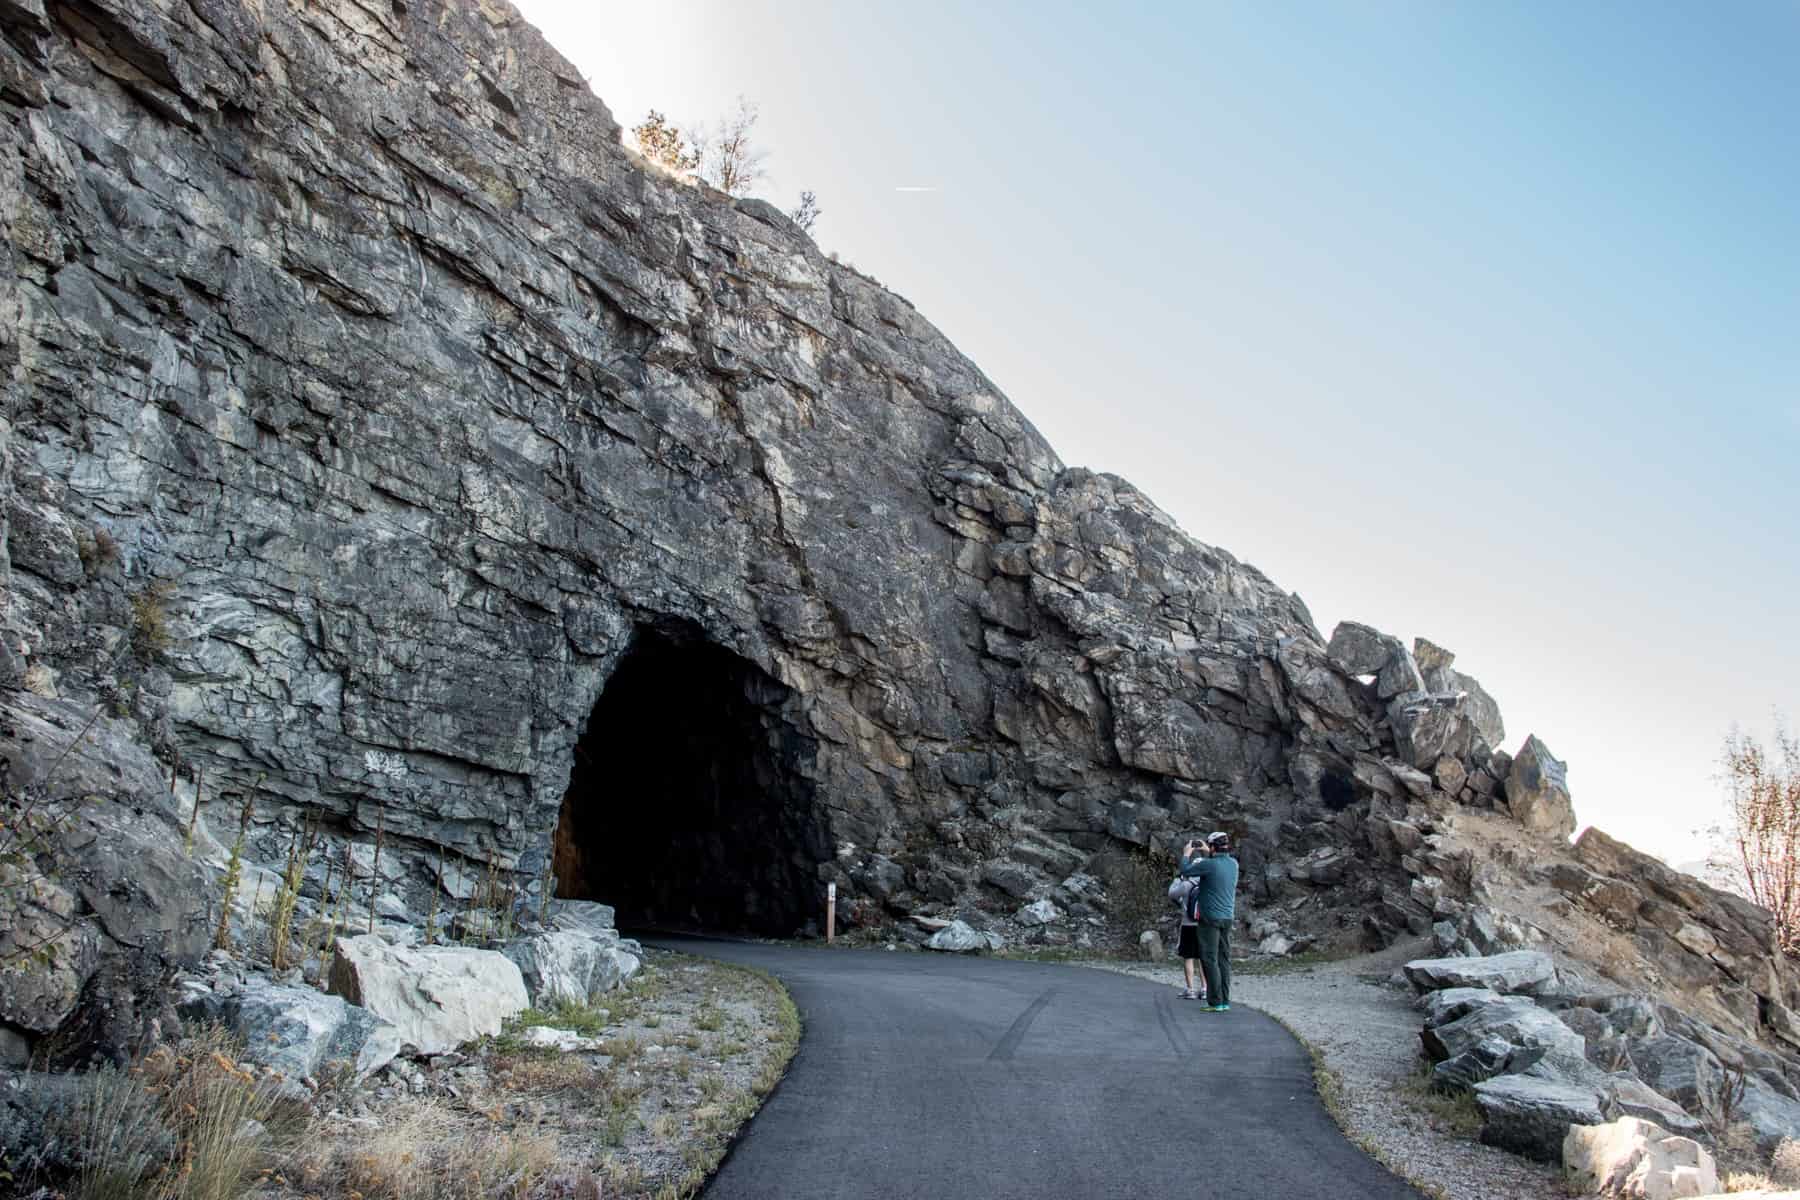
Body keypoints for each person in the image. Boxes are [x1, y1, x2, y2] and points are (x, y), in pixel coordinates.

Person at [1185, 831, 1239, 1012]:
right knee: (1224, 959)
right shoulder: (1233, 864)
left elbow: (1185, 870)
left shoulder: (1209, 865)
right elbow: (1218, 860)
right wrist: (1208, 849)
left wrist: (1187, 854)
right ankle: (1224, 1001)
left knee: (1209, 958)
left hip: (1209, 918)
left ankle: (1215, 1002)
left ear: (1213, 847)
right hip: (1227, 917)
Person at [1173, 839, 1209, 1001]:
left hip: (1188, 924)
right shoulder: (1209, 884)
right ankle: (1205, 988)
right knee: (1203, 958)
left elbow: (1172, 894)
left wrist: (1178, 879)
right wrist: (1207, 849)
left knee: (1189, 957)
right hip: (1204, 924)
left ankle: (1190, 990)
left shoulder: (1187, 884)